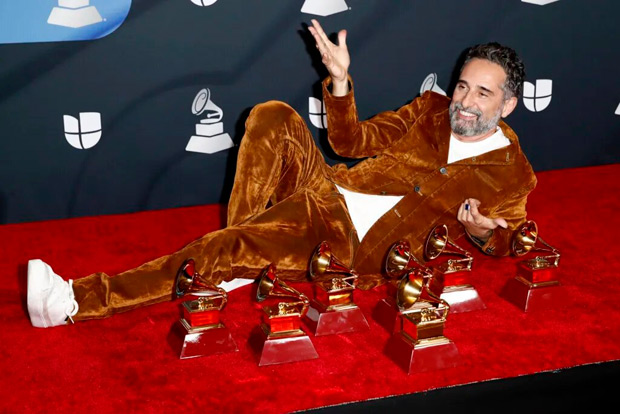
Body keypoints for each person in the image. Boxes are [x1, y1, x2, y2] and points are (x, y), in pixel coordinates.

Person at [27, 20, 536, 328]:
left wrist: (478, 231)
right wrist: (339, 82)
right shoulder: (430, 108)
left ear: (509, 104)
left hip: (356, 243)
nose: (465, 101)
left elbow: (508, 240)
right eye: (463, 86)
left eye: (482, 94)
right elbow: (349, 142)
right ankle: (243, 254)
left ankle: (72, 301)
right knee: (272, 115)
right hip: (331, 189)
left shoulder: (513, 174)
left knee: (226, 248)